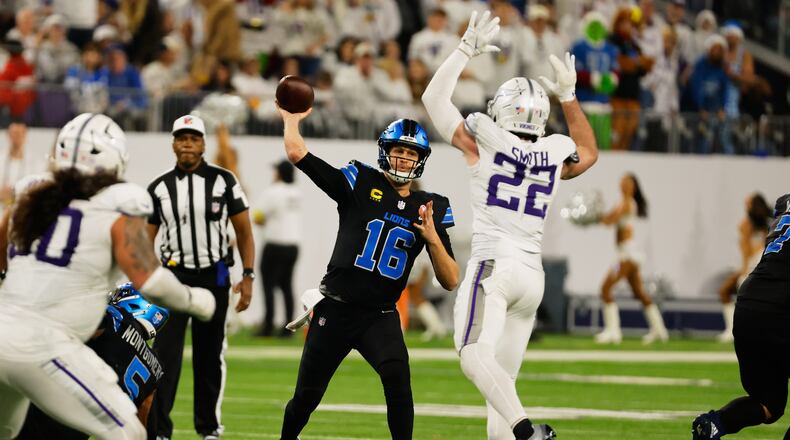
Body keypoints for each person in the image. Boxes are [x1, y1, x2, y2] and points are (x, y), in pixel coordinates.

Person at [422, 11, 599, 440]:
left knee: (470, 354)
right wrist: (570, 97)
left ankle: (526, 431)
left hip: (494, 266)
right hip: (531, 276)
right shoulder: (555, 151)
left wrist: (465, 48)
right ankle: (516, 429)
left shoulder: (484, 139)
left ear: (499, 110)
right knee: (501, 386)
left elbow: (433, 101)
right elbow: (589, 152)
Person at [0, 112, 216, 440]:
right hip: (43, 345)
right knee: (128, 433)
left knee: (7, 432)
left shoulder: (28, 200)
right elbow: (152, 282)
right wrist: (197, 301)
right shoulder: (118, 209)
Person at [276, 108, 459, 439]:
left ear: (420, 159)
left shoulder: (430, 206)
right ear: (385, 152)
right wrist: (291, 119)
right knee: (306, 397)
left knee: (398, 383)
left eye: (411, 153)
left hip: (380, 316)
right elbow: (297, 153)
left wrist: (432, 239)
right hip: (336, 307)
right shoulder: (359, 180)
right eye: (398, 151)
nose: (403, 159)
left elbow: (450, 280)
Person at [147, 114, 255, 440]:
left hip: (214, 276)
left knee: (210, 357)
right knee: (163, 358)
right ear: (173, 144)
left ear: (204, 144)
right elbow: (145, 239)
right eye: (182, 139)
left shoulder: (225, 181)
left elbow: (245, 232)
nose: (187, 145)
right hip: (173, 277)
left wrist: (247, 275)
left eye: (193, 139)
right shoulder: (159, 187)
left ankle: (208, 429)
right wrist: (149, 280)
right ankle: (160, 431)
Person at [692, 193, 790, 440]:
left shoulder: (784, 202)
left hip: (749, 301)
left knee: (768, 403)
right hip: (782, 305)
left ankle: (714, 424)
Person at [17, 283, 170, 439]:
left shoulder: (116, 319)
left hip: (49, 407)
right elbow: (145, 427)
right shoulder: (154, 367)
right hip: (80, 427)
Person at [594, 173, 667, 344]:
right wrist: (597, 214)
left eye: (628, 182)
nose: (624, 184)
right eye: (622, 181)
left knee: (605, 288)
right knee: (639, 292)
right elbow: (607, 219)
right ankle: (659, 330)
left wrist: (597, 215)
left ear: (633, 186)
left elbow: (610, 220)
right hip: (629, 255)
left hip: (625, 257)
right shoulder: (621, 203)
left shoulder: (627, 203)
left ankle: (613, 331)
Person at [253, 159, 301, 337]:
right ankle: (289, 327)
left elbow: (258, 217)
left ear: (279, 174)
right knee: (287, 286)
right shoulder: (296, 193)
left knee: (268, 285)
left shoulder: (272, 192)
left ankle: (268, 325)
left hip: (274, 244)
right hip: (293, 245)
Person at [716, 193, 771, 343]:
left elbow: (747, 250)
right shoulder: (747, 224)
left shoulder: (768, 223)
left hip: (761, 265)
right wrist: (745, 269)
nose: (746, 207)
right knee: (726, 291)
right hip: (755, 265)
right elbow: (745, 251)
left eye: (748, 204)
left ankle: (741, 329)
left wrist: (745, 270)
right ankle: (732, 328)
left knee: (748, 297)